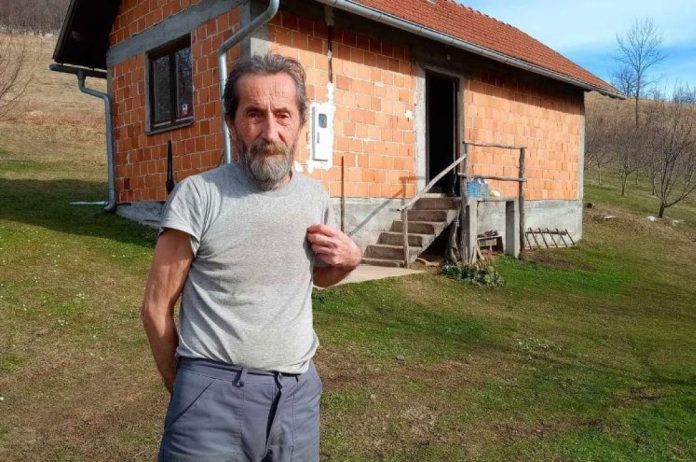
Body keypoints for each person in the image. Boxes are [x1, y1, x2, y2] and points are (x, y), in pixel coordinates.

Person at [140, 53, 362, 461]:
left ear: (300, 122)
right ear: (232, 123)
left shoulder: (315, 198)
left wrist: (349, 261)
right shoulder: (198, 196)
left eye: (283, 115)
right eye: (255, 114)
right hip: (210, 398)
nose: (270, 131)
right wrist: (187, 389)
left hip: (296, 400)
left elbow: (314, 277)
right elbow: (156, 308)